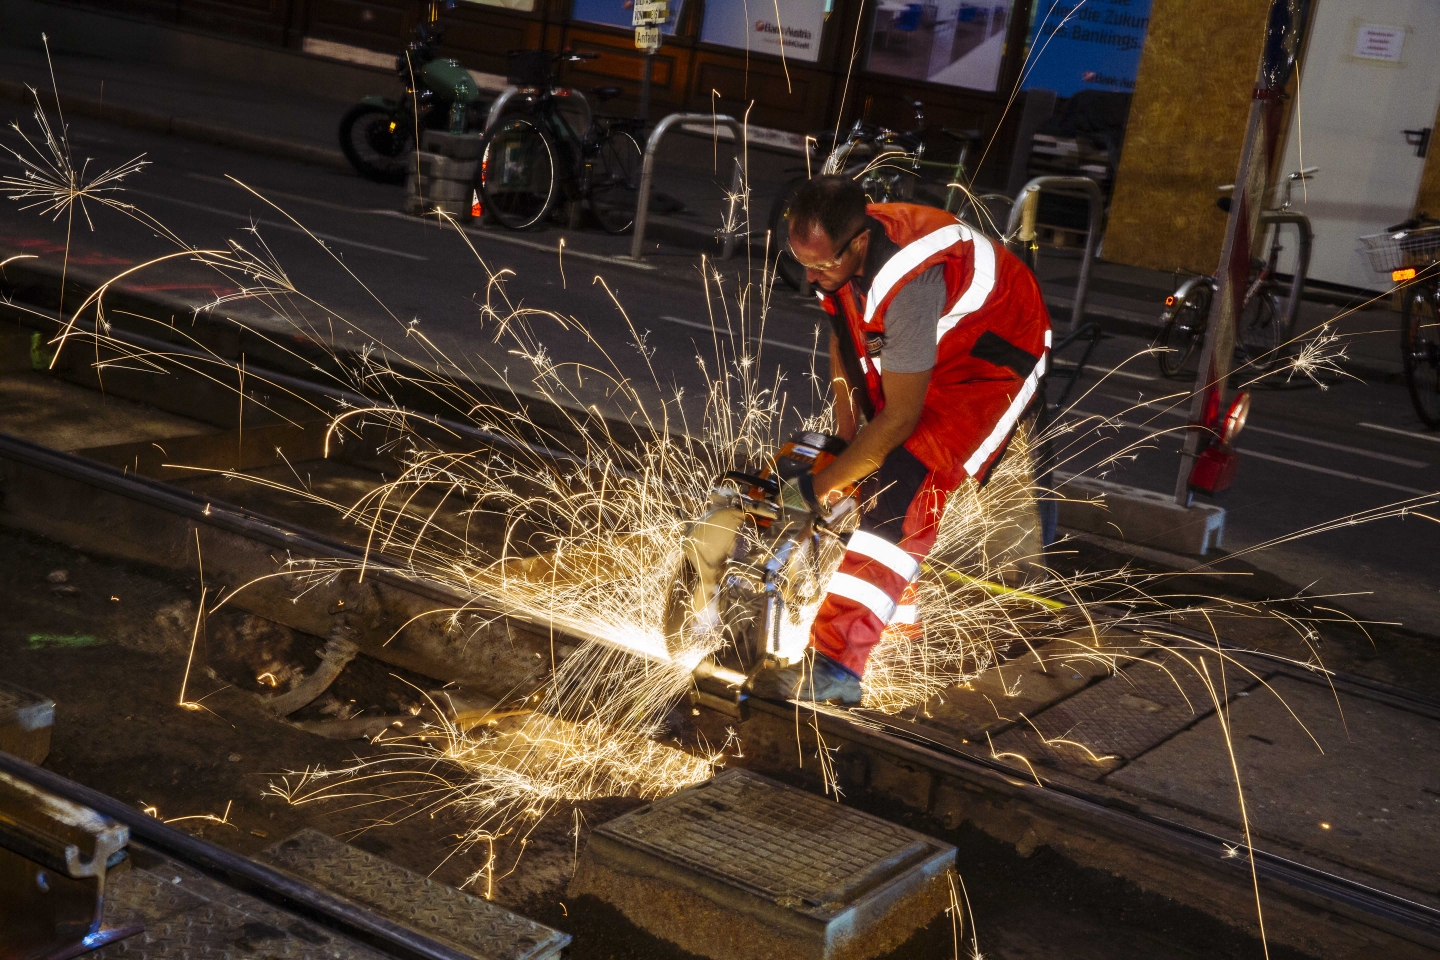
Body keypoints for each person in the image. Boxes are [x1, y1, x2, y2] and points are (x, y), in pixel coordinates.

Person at [745, 175, 1053, 705]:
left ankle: (837, 668)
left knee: (902, 486)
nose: (813, 277)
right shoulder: (841, 251)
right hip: (935, 345)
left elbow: (899, 422)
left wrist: (816, 490)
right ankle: (897, 629)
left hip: (991, 359)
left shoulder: (908, 284)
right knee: (860, 467)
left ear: (858, 242)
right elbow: (845, 335)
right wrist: (842, 441)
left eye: (822, 266)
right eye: (803, 264)